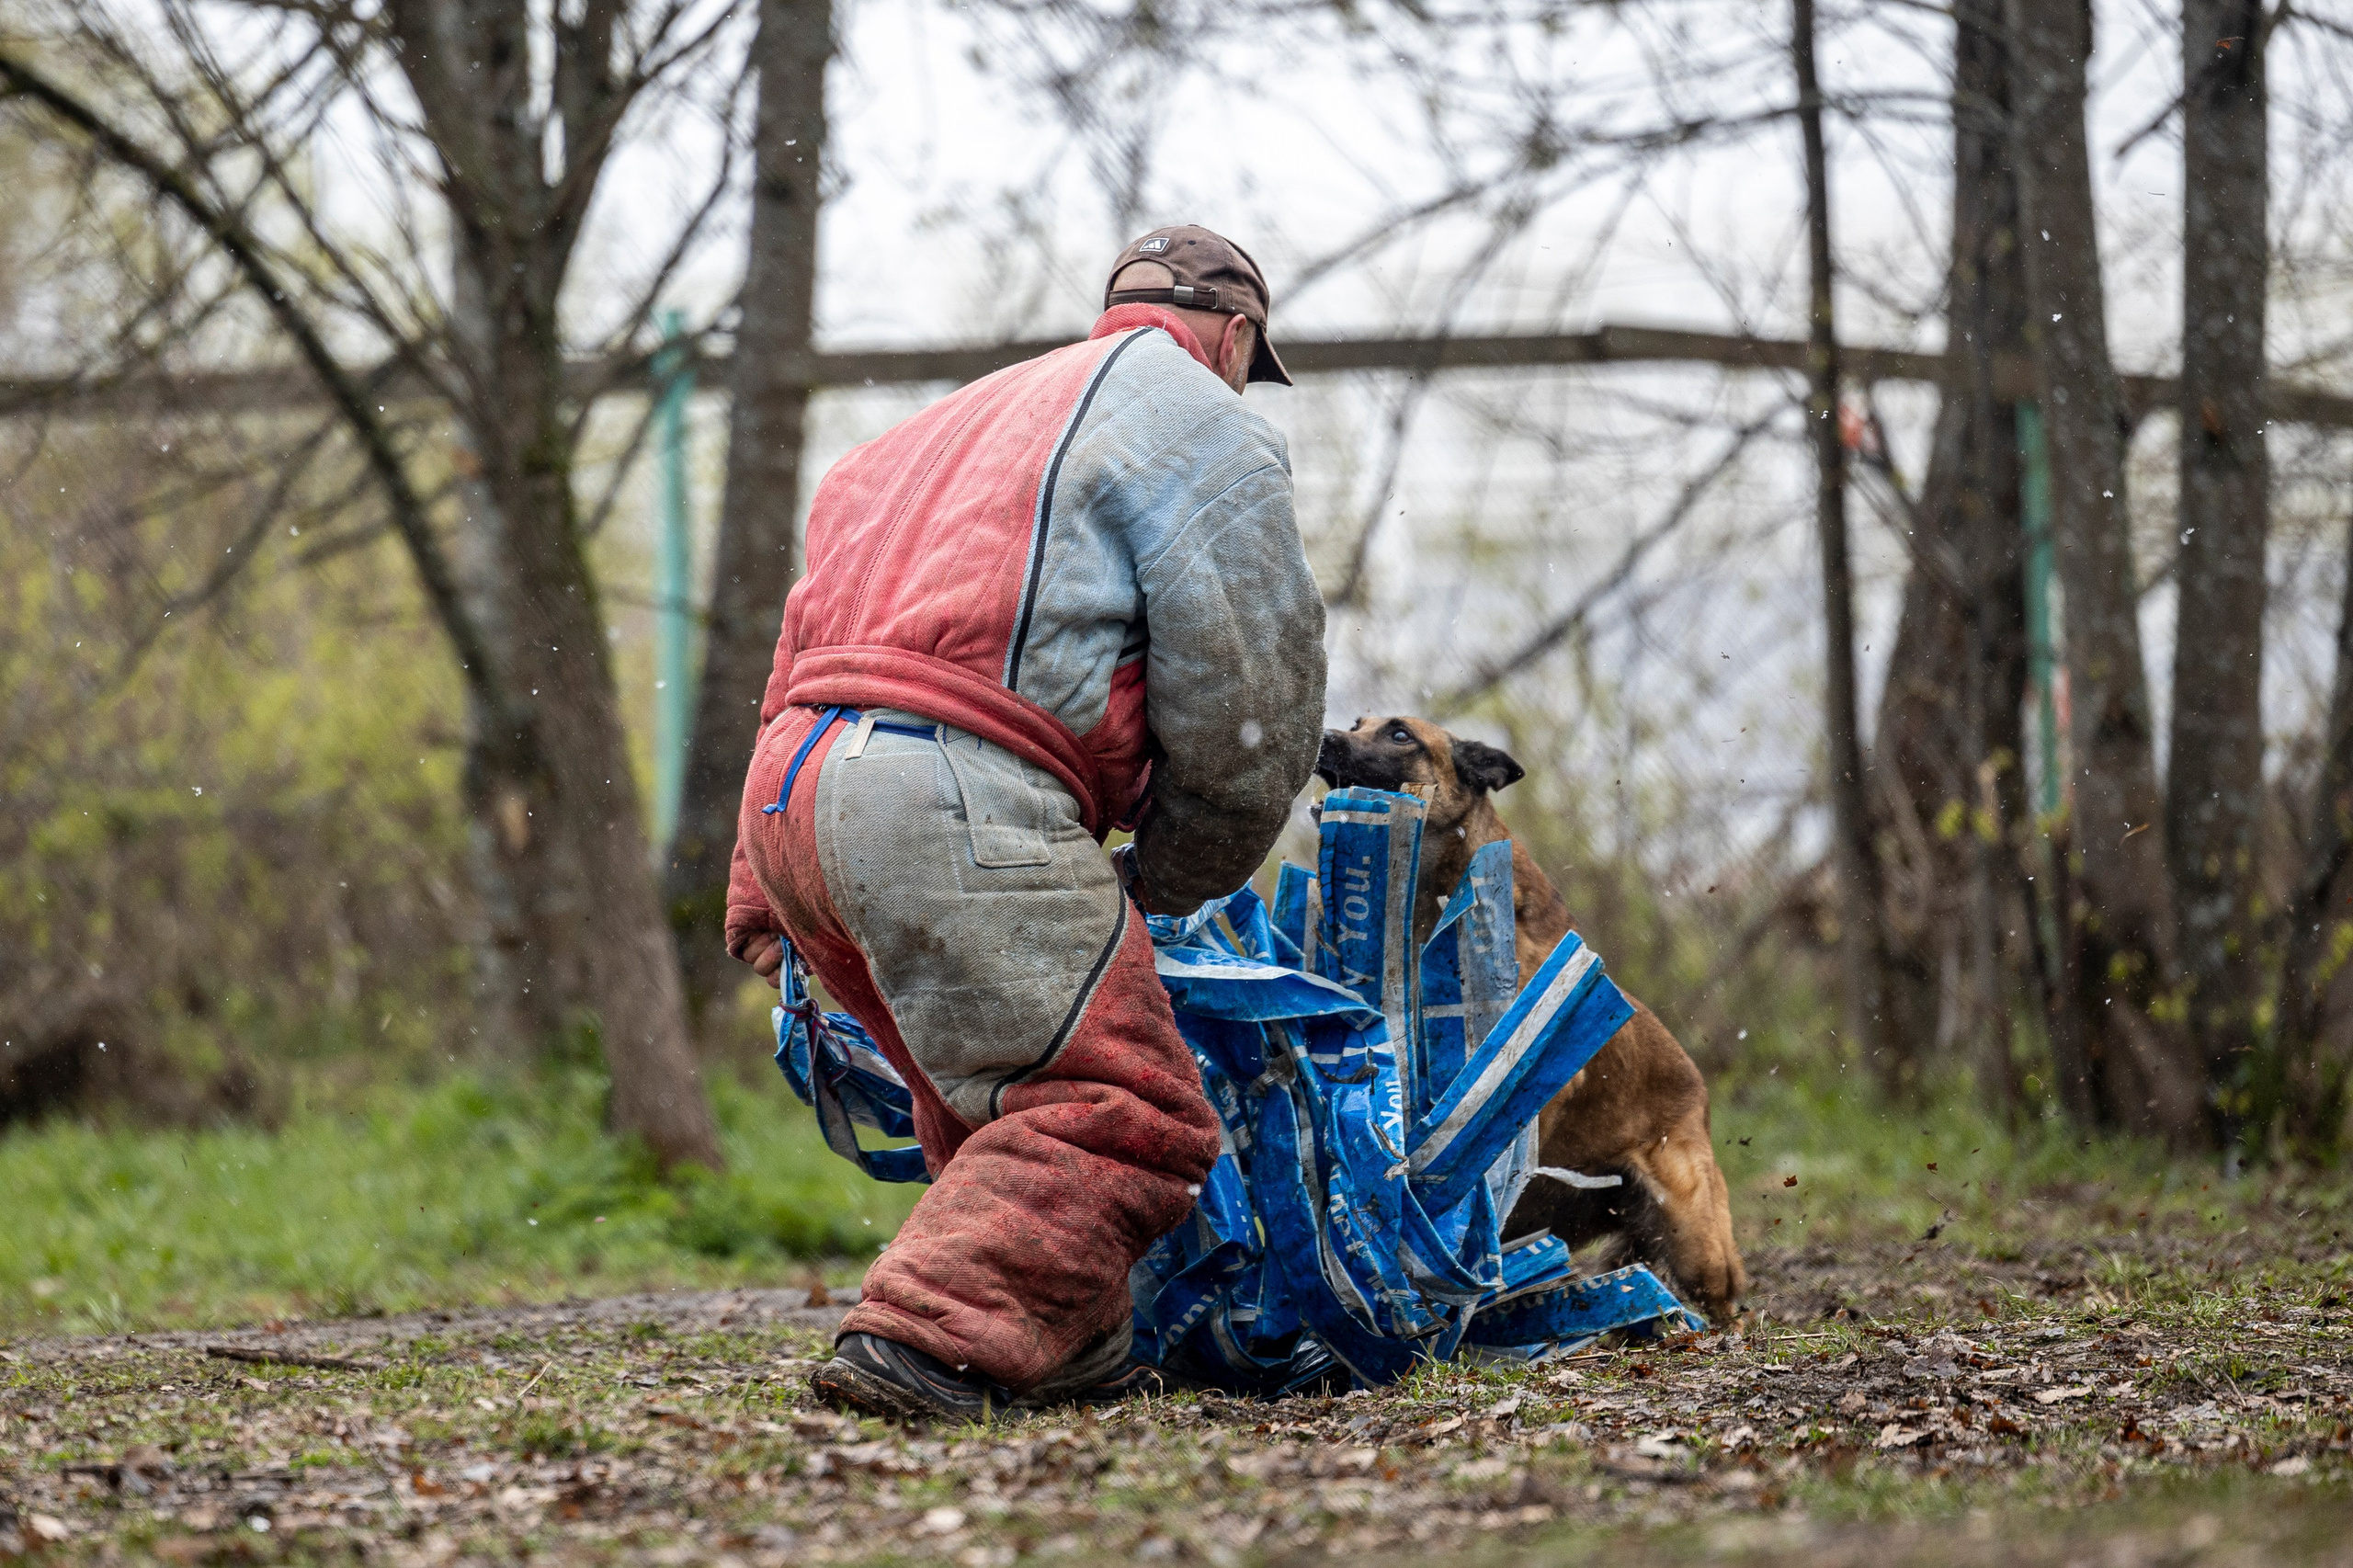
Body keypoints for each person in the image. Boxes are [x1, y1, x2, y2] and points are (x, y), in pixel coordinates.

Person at [724, 225, 1327, 1418]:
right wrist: (1166, 874)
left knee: (1000, 1094)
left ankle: (1079, 1341)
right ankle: (929, 1337)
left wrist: (758, 888)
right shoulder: (1206, 428)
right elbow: (1252, 710)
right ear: (1240, 337)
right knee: (1124, 1109)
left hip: (793, 790)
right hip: (950, 785)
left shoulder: (934, 429)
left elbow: (801, 644)